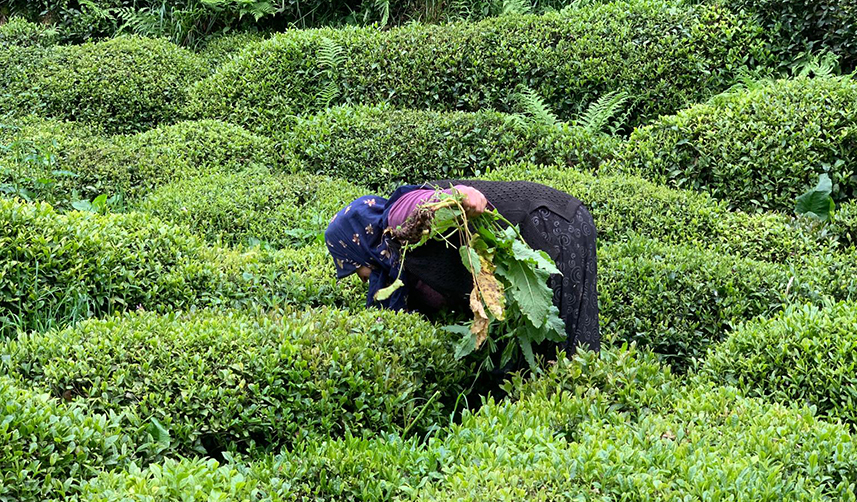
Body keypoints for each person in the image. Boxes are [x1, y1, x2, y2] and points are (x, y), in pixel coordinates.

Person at [324, 179, 599, 366]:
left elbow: (422, 204)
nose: (359, 276)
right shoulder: (399, 268)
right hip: (563, 221)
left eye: (351, 265)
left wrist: (458, 195)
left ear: (358, 244)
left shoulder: (394, 221)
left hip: (550, 222)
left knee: (562, 345)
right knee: (565, 341)